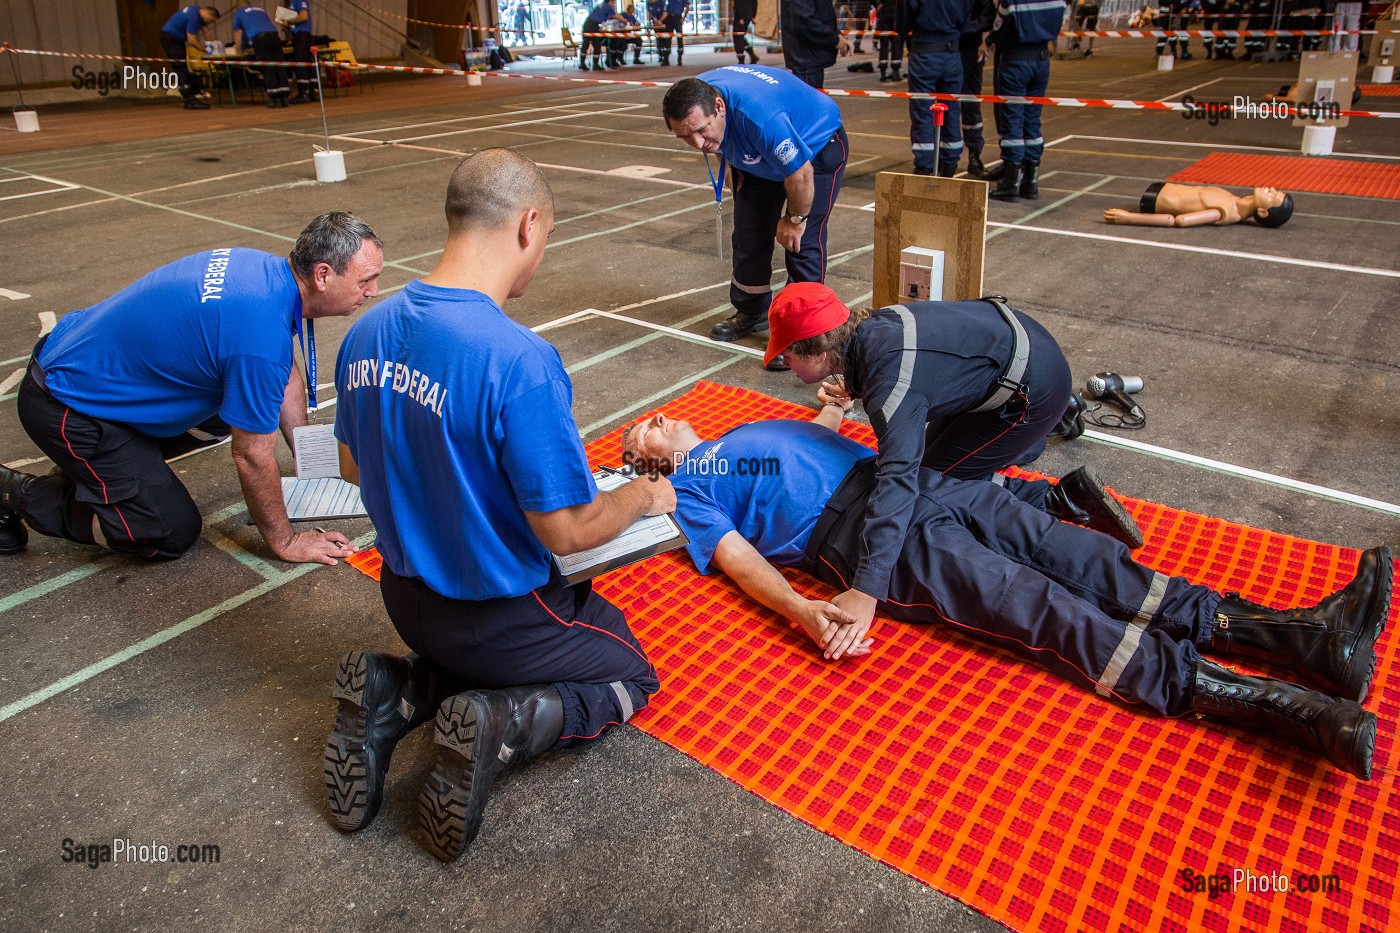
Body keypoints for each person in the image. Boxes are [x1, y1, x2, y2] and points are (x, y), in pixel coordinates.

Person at [620, 408, 1390, 780]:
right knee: (1042, 607)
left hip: (909, 484)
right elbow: (739, 558)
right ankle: (1279, 708)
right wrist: (799, 607)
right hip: (865, 536)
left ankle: (1304, 639)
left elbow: (820, 426)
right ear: (646, 465)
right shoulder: (691, 486)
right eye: (643, 434)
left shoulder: (741, 432)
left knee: (1087, 559)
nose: (657, 420)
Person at [323, 149, 675, 861]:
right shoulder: (518, 358)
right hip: (499, 618)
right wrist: (642, 493)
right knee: (631, 670)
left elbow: (355, 466)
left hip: (406, 599)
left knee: (531, 627)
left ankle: (402, 689)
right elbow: (570, 530)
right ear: (529, 224)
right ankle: (501, 721)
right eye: (546, 239)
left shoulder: (364, 333)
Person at [760, 281, 1144, 638]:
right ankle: (1063, 482)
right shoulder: (875, 329)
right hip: (1022, 350)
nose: (785, 365)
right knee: (937, 466)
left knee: (935, 491)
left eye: (789, 355)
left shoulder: (890, 383)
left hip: (1031, 390)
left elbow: (899, 479)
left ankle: (1058, 496)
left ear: (821, 350)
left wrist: (866, 586)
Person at [0, 213, 382, 565]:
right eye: (365, 280)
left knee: (226, 410)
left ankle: (105, 475)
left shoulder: (265, 272)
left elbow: (282, 372)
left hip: (87, 364)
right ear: (322, 274)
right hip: (67, 406)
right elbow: (250, 455)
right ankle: (17, 492)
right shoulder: (257, 335)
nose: (373, 291)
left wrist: (306, 454)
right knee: (167, 531)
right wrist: (284, 541)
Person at [662, 69, 848, 372]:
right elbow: (715, 139)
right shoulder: (697, 97)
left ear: (719, 107)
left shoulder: (762, 119)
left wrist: (794, 218)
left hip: (815, 148)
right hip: (756, 152)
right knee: (748, 234)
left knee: (801, 242)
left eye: (702, 130)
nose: (697, 143)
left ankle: (801, 335)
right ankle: (752, 312)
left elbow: (801, 175)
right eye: (684, 136)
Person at [985, 0, 1068, 201]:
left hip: (1016, 60)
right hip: (1041, 60)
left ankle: (1011, 182)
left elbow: (999, 29)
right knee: (1032, 118)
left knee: (1013, 119)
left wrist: (988, 41)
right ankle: (1031, 181)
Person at [897, 0, 971, 177]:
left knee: (923, 111)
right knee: (951, 110)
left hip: (925, 52)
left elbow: (903, 20)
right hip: (952, 52)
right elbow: (968, 19)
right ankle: (950, 164)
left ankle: (924, 166)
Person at [1104, 184, 1294, 228]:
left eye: (1273, 195)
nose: (1270, 189)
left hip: (1153, 201)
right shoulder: (1234, 199)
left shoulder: (1226, 212)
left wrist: (1128, 217)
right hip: (1161, 188)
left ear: (1263, 211)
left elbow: (1177, 220)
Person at [959, 0, 996, 176]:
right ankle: (943, 158)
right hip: (950, 47)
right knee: (943, 106)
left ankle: (974, 155)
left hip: (968, 48)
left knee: (970, 104)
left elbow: (988, 16)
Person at [160, 5, 221, 110]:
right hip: (170, 37)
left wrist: (212, 46)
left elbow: (206, 31)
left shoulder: (196, 10)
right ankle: (189, 100)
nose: (210, 23)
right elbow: (191, 39)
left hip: (175, 38)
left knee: (183, 66)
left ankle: (192, 92)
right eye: (210, 20)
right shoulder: (194, 18)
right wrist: (205, 50)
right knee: (180, 67)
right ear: (208, 14)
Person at [781, 0, 852, 88]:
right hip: (806, 57)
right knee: (808, 99)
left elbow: (820, 15)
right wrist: (835, 40)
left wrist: (836, 35)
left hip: (809, 57)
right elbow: (804, 21)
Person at [233, 4, 291, 107]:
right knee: (279, 66)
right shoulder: (260, 10)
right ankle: (284, 97)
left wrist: (238, 50)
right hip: (274, 36)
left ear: (238, 5)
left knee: (268, 67)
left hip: (260, 39)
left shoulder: (239, 13)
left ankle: (275, 98)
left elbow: (238, 33)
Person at [282, 0, 318, 104]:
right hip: (302, 35)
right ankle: (313, 91)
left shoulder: (298, 0)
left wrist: (288, 21)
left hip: (302, 36)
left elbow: (303, 16)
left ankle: (303, 92)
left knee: (300, 63)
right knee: (307, 63)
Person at [580, 0, 624, 69]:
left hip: (587, 24)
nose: (614, 4)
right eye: (614, 2)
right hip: (593, 25)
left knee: (585, 44)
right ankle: (595, 65)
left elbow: (608, 16)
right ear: (610, 1)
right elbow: (616, 16)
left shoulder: (601, 5)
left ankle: (582, 63)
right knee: (597, 45)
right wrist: (625, 21)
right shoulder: (608, 7)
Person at [873, 0, 904, 82]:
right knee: (896, 43)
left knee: (884, 44)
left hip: (883, 12)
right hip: (896, 12)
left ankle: (883, 74)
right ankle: (896, 73)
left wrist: (878, 5)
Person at [656, 0, 689, 66]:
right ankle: (666, 59)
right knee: (667, 38)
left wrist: (683, 18)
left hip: (677, 17)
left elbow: (687, 7)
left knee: (679, 37)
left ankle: (679, 59)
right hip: (668, 18)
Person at [732, 0, 761, 65]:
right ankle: (752, 55)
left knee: (737, 38)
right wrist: (753, 16)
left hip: (741, 17)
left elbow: (738, 4)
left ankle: (741, 59)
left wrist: (739, 17)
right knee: (740, 37)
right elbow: (754, 3)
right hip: (748, 15)